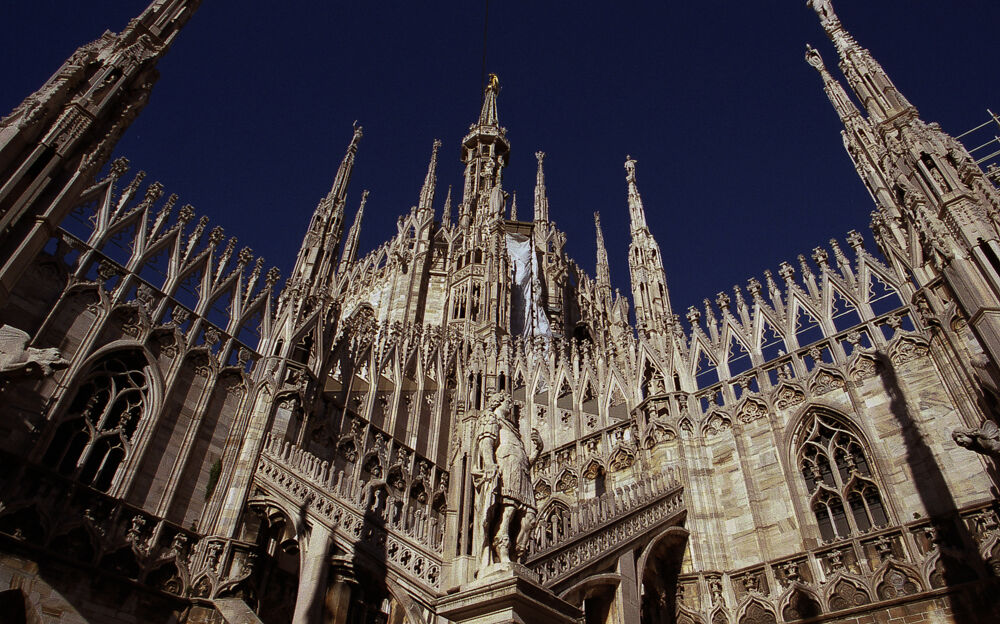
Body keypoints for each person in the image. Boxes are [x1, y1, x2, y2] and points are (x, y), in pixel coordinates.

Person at [473, 392, 543, 569]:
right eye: (507, 402)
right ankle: (502, 552)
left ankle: (518, 555)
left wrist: (538, 450)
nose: (510, 406)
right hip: (507, 467)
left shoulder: (513, 429)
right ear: (498, 402)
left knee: (530, 518)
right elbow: (486, 442)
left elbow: (526, 460)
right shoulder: (490, 417)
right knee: (508, 510)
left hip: (522, 471)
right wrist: (489, 463)